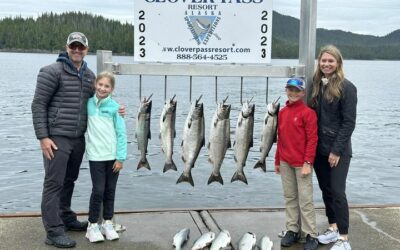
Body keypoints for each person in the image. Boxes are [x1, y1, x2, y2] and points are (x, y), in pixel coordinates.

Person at [31, 32, 125, 248]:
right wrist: (43, 137)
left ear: (86, 50)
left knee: (69, 180)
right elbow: (38, 105)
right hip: (56, 138)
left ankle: (65, 216)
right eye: (73, 46)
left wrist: (117, 108)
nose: (76, 50)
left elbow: (100, 101)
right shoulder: (51, 71)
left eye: (80, 47)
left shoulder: (90, 76)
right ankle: (53, 231)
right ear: (66, 47)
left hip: (78, 139)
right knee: (54, 183)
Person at [309, 45, 357, 250]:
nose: (326, 64)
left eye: (331, 61)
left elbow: (349, 123)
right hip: (319, 148)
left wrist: (336, 151)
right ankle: (333, 228)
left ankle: (344, 239)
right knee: (326, 190)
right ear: (319, 62)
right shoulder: (316, 84)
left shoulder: (347, 87)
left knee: (338, 192)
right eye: (323, 60)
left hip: (338, 150)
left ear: (338, 63)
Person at [275, 78, 319, 250]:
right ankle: (292, 230)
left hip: (302, 164)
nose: (293, 93)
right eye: (290, 90)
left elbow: (312, 139)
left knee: (305, 200)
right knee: (290, 197)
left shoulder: (308, 113)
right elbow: (280, 139)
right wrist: (278, 160)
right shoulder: (282, 113)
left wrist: (308, 162)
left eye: (297, 90)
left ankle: (311, 234)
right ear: (286, 90)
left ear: (303, 93)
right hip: (285, 162)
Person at [84, 71, 127, 243]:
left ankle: (107, 223)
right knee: (98, 190)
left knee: (110, 190)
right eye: (100, 84)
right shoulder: (88, 104)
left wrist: (120, 158)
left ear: (112, 89)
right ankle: (92, 225)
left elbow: (121, 134)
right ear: (95, 84)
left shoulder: (116, 108)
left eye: (106, 86)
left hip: (113, 157)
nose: (102, 88)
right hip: (96, 156)